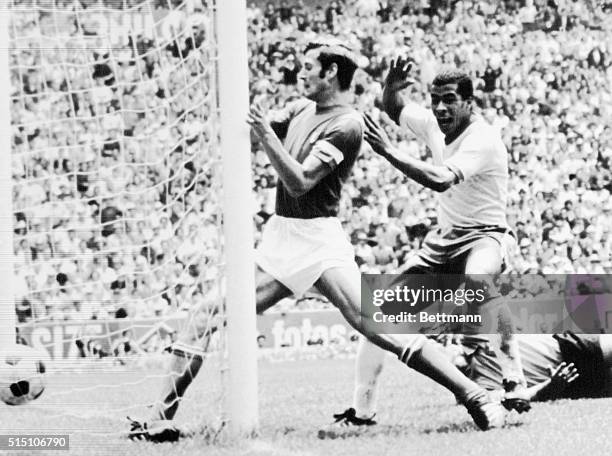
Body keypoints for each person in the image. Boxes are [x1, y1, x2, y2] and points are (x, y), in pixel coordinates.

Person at [128, 41, 507, 442]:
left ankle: (475, 393)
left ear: (330, 73)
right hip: (281, 236)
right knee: (207, 314)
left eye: (308, 67)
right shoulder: (300, 109)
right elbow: (264, 124)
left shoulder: (347, 126)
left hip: (317, 241)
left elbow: (300, 181)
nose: (300, 73)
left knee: (378, 327)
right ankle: (159, 417)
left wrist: (264, 134)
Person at [333, 58, 527, 426]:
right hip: (442, 243)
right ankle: (362, 410)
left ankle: (512, 375)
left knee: (477, 279)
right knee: (379, 315)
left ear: (470, 102)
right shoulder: (435, 123)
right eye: (435, 99)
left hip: (485, 235)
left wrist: (389, 152)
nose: (440, 107)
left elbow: (440, 179)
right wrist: (390, 87)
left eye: (450, 99)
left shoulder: (482, 139)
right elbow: (395, 108)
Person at [338, 332, 612, 424]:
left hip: (565, 346)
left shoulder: (471, 333)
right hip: (572, 382)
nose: (445, 350)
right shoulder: (471, 392)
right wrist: (552, 386)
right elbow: (519, 399)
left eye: (441, 344)